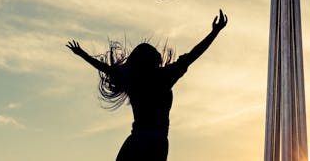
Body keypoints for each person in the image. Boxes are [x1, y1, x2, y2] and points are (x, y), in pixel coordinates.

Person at [67, 9, 228, 161]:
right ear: (153, 60)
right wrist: (214, 32)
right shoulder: (164, 76)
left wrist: (82, 54)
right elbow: (194, 54)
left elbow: (106, 69)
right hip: (155, 142)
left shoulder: (132, 78)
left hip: (138, 140)